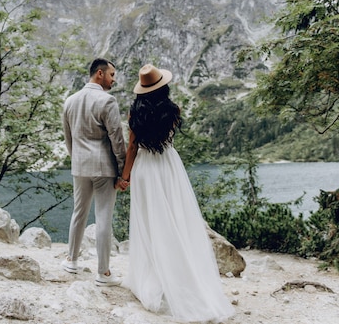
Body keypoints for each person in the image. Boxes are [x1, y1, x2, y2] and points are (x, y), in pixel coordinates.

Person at [121, 64, 235, 322]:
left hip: (146, 169)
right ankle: (180, 275)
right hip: (169, 166)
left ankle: (153, 278)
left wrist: (124, 177)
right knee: (175, 220)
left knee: (149, 223)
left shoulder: (134, 114)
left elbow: (132, 147)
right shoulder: (173, 111)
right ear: (163, 86)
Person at [61, 58, 128, 287]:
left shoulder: (70, 101)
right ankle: (103, 273)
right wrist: (122, 171)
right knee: (103, 219)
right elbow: (117, 140)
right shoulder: (107, 101)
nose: (113, 79)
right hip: (103, 168)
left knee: (78, 212)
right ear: (99, 74)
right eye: (111, 74)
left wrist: (77, 159)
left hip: (80, 166)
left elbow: (68, 139)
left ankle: (71, 260)